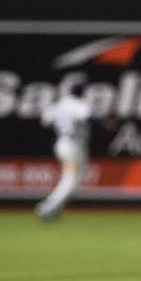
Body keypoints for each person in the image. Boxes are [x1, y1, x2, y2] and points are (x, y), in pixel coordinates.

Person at [36, 78, 92, 221]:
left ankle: (54, 210)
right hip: (73, 146)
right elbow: (88, 117)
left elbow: (45, 122)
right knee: (71, 180)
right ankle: (47, 207)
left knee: (75, 179)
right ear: (81, 92)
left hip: (63, 142)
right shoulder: (79, 105)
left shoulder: (59, 104)